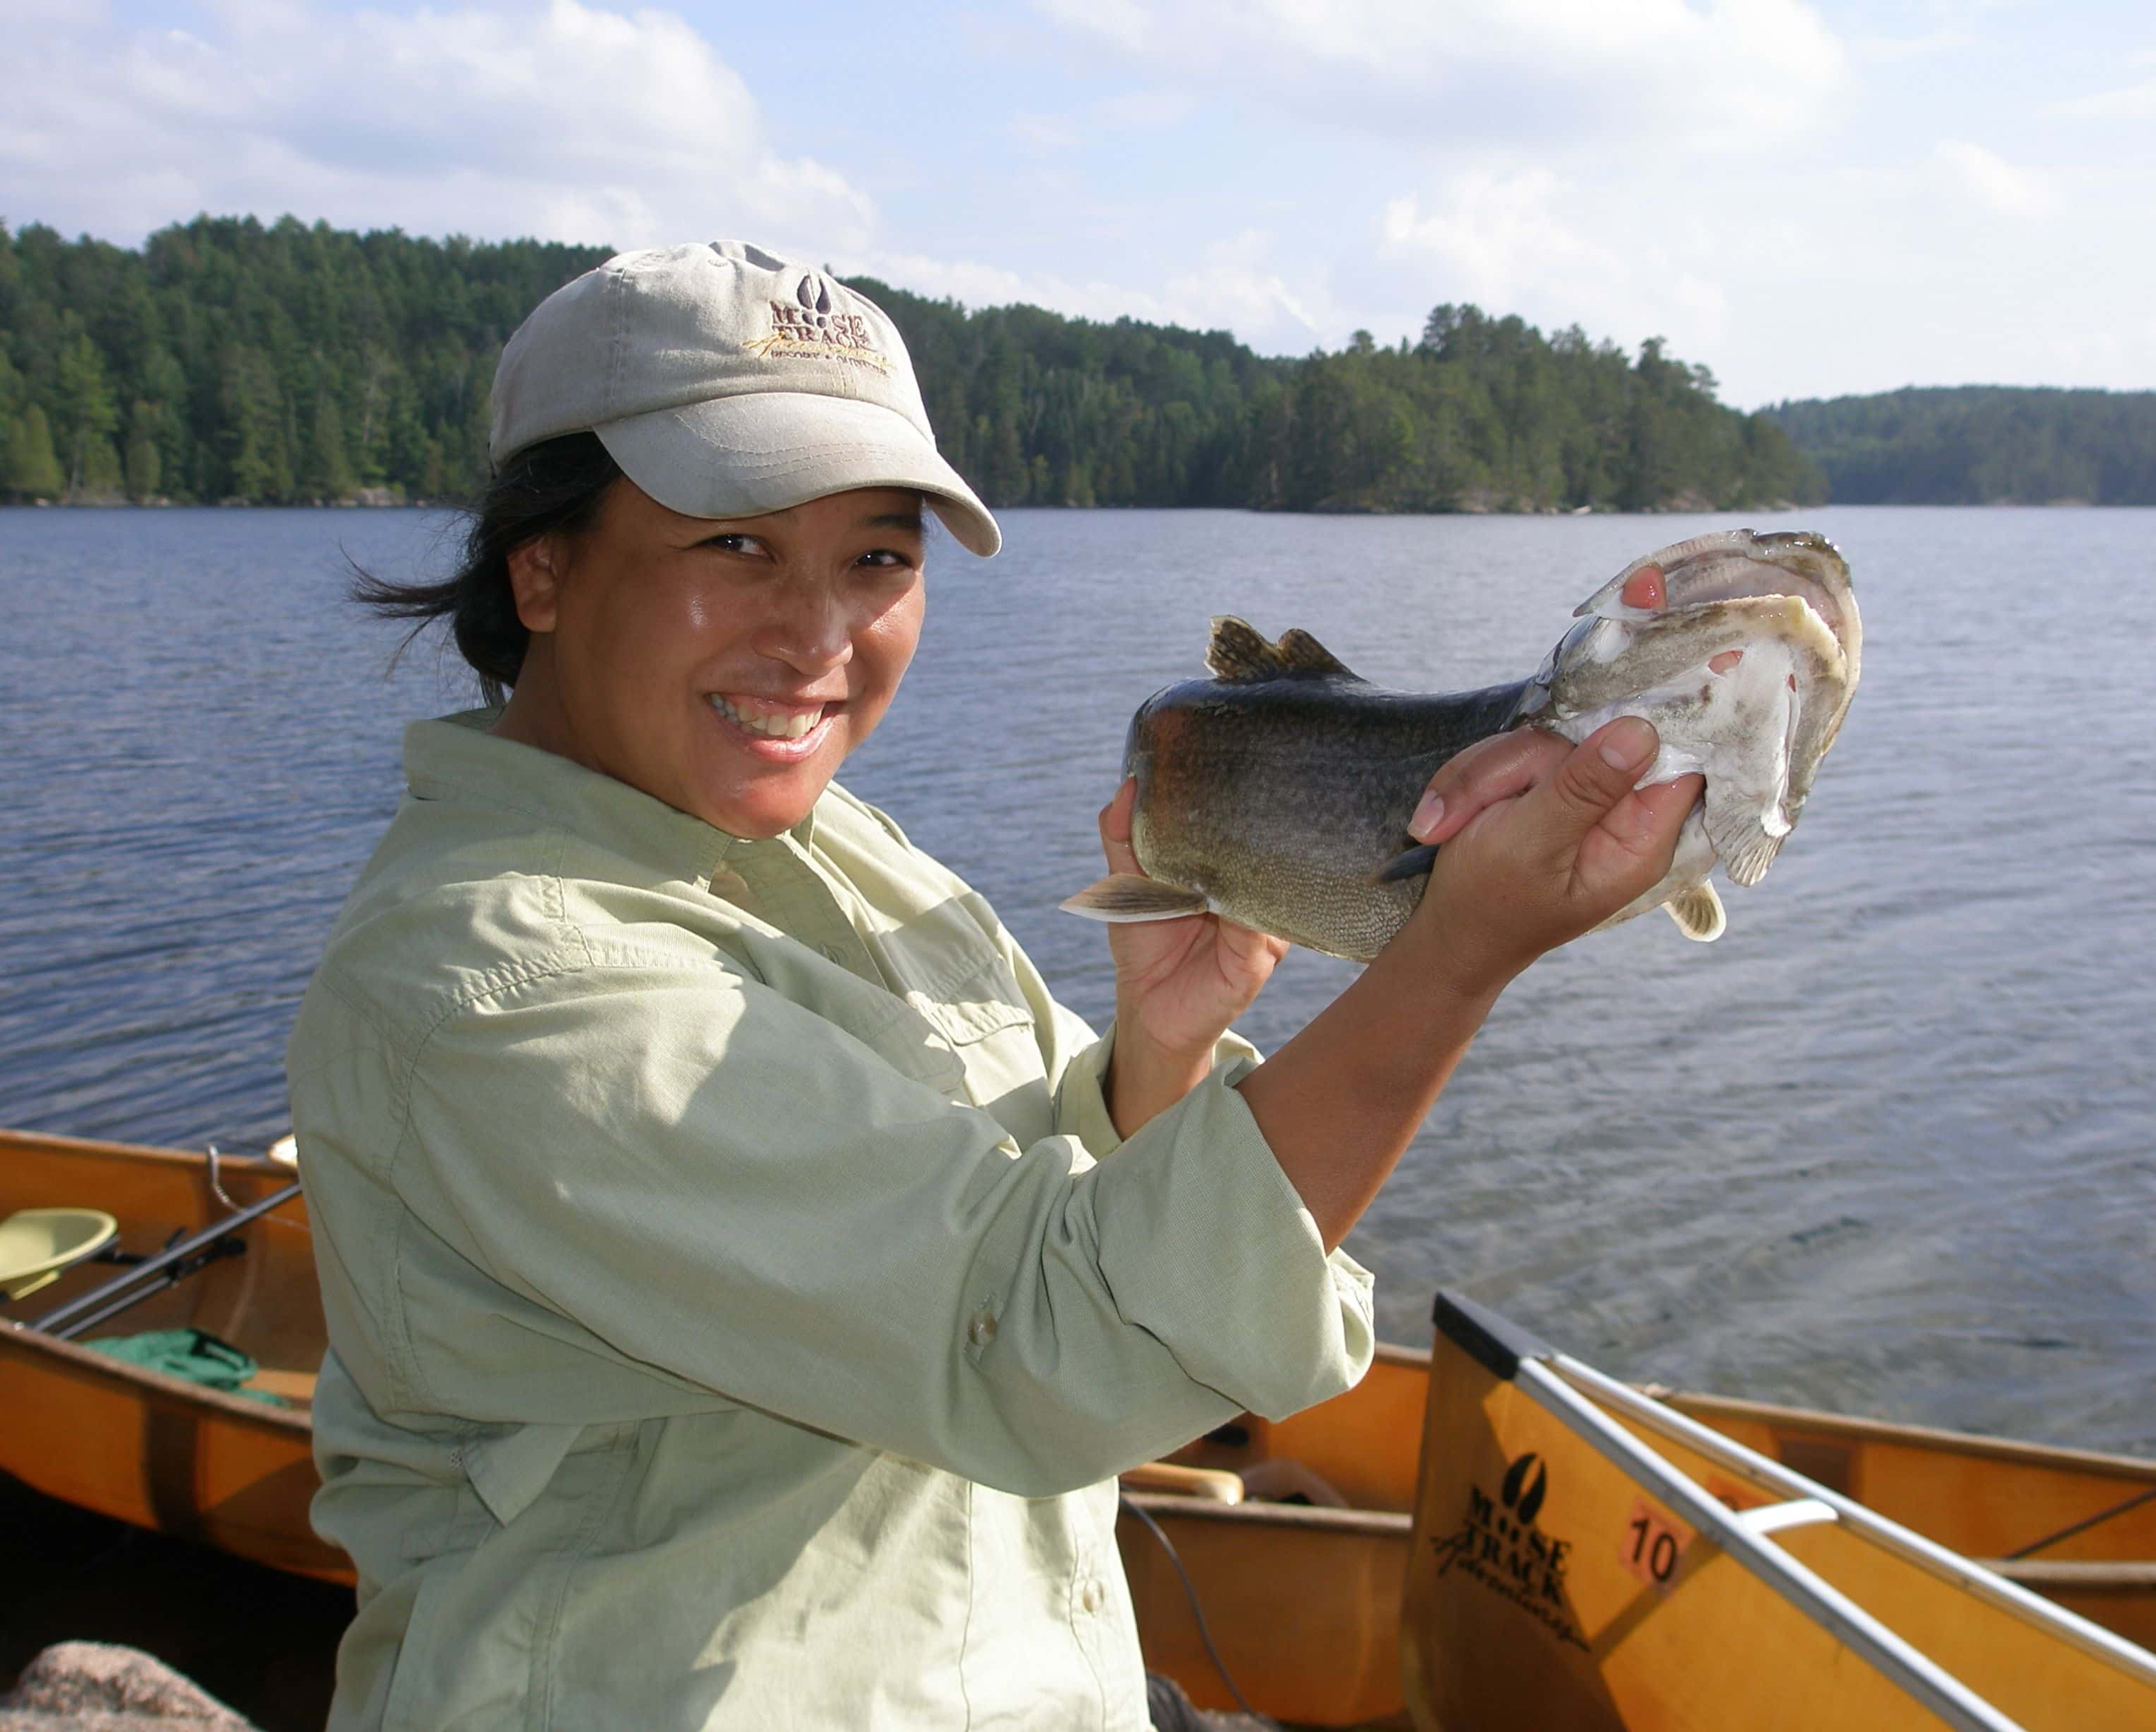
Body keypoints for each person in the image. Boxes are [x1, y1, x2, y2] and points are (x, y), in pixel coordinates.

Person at [292, 240, 1702, 1731]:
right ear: (545, 566)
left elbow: (1105, 1270)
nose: (819, 637)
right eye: (736, 545)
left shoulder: (849, 852)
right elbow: (1047, 1351)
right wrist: (1453, 956)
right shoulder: (497, 979)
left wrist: (1155, 1063)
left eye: (878, 560)